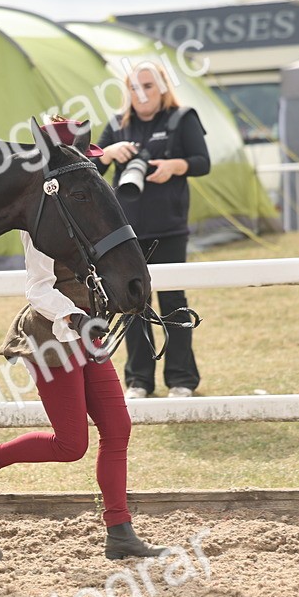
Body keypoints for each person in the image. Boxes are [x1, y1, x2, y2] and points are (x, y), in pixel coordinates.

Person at [0, 118, 166, 559]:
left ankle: (119, 532)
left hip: (87, 331)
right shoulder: (40, 221)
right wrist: (74, 318)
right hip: (52, 335)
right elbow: (38, 289)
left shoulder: (84, 205)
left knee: (117, 428)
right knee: (71, 444)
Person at [97, 63, 211, 398]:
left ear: (162, 87)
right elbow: (90, 168)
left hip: (169, 229)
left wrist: (175, 166)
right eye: (134, 87)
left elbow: (202, 162)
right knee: (132, 303)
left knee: (173, 301)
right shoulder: (117, 124)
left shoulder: (182, 118)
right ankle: (138, 381)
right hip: (125, 234)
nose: (141, 93)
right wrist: (108, 153)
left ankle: (181, 379)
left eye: (148, 85)